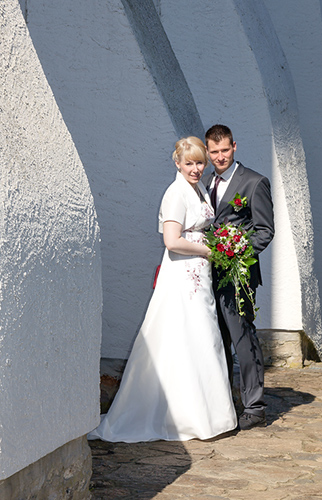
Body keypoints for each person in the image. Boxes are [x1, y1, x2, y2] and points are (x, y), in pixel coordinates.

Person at [88, 136, 237, 443]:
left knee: (201, 337)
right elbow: (172, 241)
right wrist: (209, 249)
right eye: (189, 163)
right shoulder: (175, 194)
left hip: (198, 276)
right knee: (186, 336)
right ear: (177, 163)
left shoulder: (196, 190)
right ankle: (180, 416)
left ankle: (205, 414)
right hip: (182, 275)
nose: (195, 169)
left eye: (199, 163)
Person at [204, 124, 274, 430]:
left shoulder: (254, 183)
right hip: (208, 276)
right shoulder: (207, 182)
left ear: (235, 146)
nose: (220, 156)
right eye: (214, 151)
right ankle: (223, 402)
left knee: (243, 338)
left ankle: (255, 406)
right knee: (215, 338)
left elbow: (265, 232)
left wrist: (236, 255)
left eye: (225, 150)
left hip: (239, 275)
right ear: (208, 152)